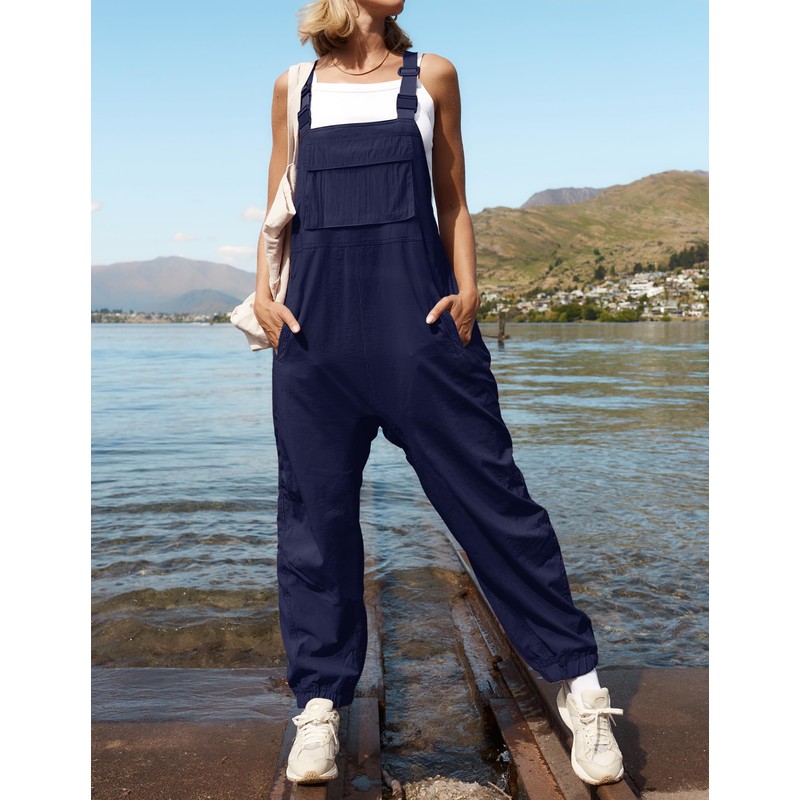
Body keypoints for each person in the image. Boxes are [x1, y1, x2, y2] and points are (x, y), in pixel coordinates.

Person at [253, 0, 625, 787]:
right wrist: (263, 293)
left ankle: (580, 685)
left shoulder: (434, 77)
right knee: (314, 522)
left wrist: (469, 290)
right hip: (314, 338)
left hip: (421, 330)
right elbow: (277, 206)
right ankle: (319, 704)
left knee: (494, 501)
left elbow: (452, 199)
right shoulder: (294, 87)